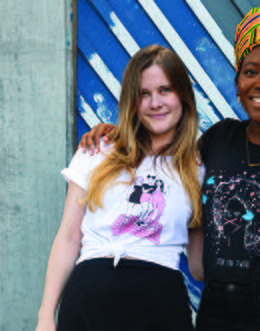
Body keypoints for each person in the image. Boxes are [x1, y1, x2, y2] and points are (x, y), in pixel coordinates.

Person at [80, 6, 260, 331]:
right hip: (216, 318)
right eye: (251, 71)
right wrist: (120, 135)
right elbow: (165, 161)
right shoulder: (218, 140)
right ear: (239, 80)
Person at [35, 44, 203, 331]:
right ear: (131, 102)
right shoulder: (99, 149)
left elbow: (199, 267)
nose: (155, 103)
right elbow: (68, 238)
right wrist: (45, 317)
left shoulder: (198, 167)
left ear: (183, 96)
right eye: (144, 94)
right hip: (89, 301)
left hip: (160, 307)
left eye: (165, 90)